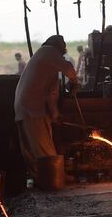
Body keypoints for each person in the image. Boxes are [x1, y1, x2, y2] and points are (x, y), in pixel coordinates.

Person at [14, 35, 79, 177]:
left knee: (33, 149)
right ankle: (53, 177)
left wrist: (54, 114)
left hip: (24, 106)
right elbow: (67, 67)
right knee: (44, 149)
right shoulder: (49, 51)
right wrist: (74, 81)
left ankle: (41, 178)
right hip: (32, 107)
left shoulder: (44, 60)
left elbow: (51, 93)